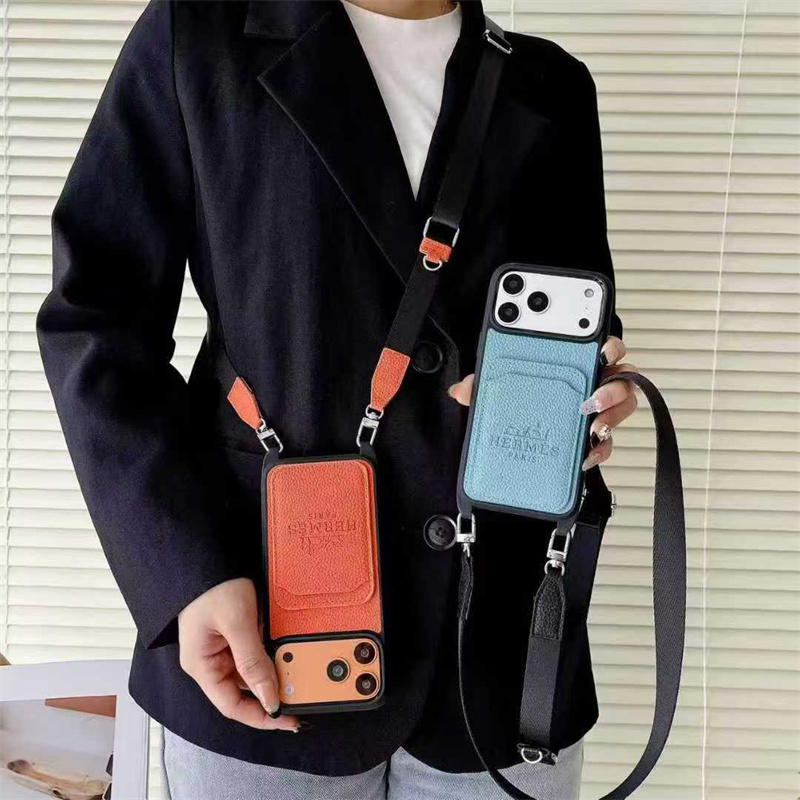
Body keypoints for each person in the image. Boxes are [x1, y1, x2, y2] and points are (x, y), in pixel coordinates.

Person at [37, 1, 638, 798]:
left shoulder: (550, 85)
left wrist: (588, 398)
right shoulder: (199, 36)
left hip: (498, 655)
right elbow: (96, 321)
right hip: (262, 633)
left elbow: (574, 315)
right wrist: (183, 573)